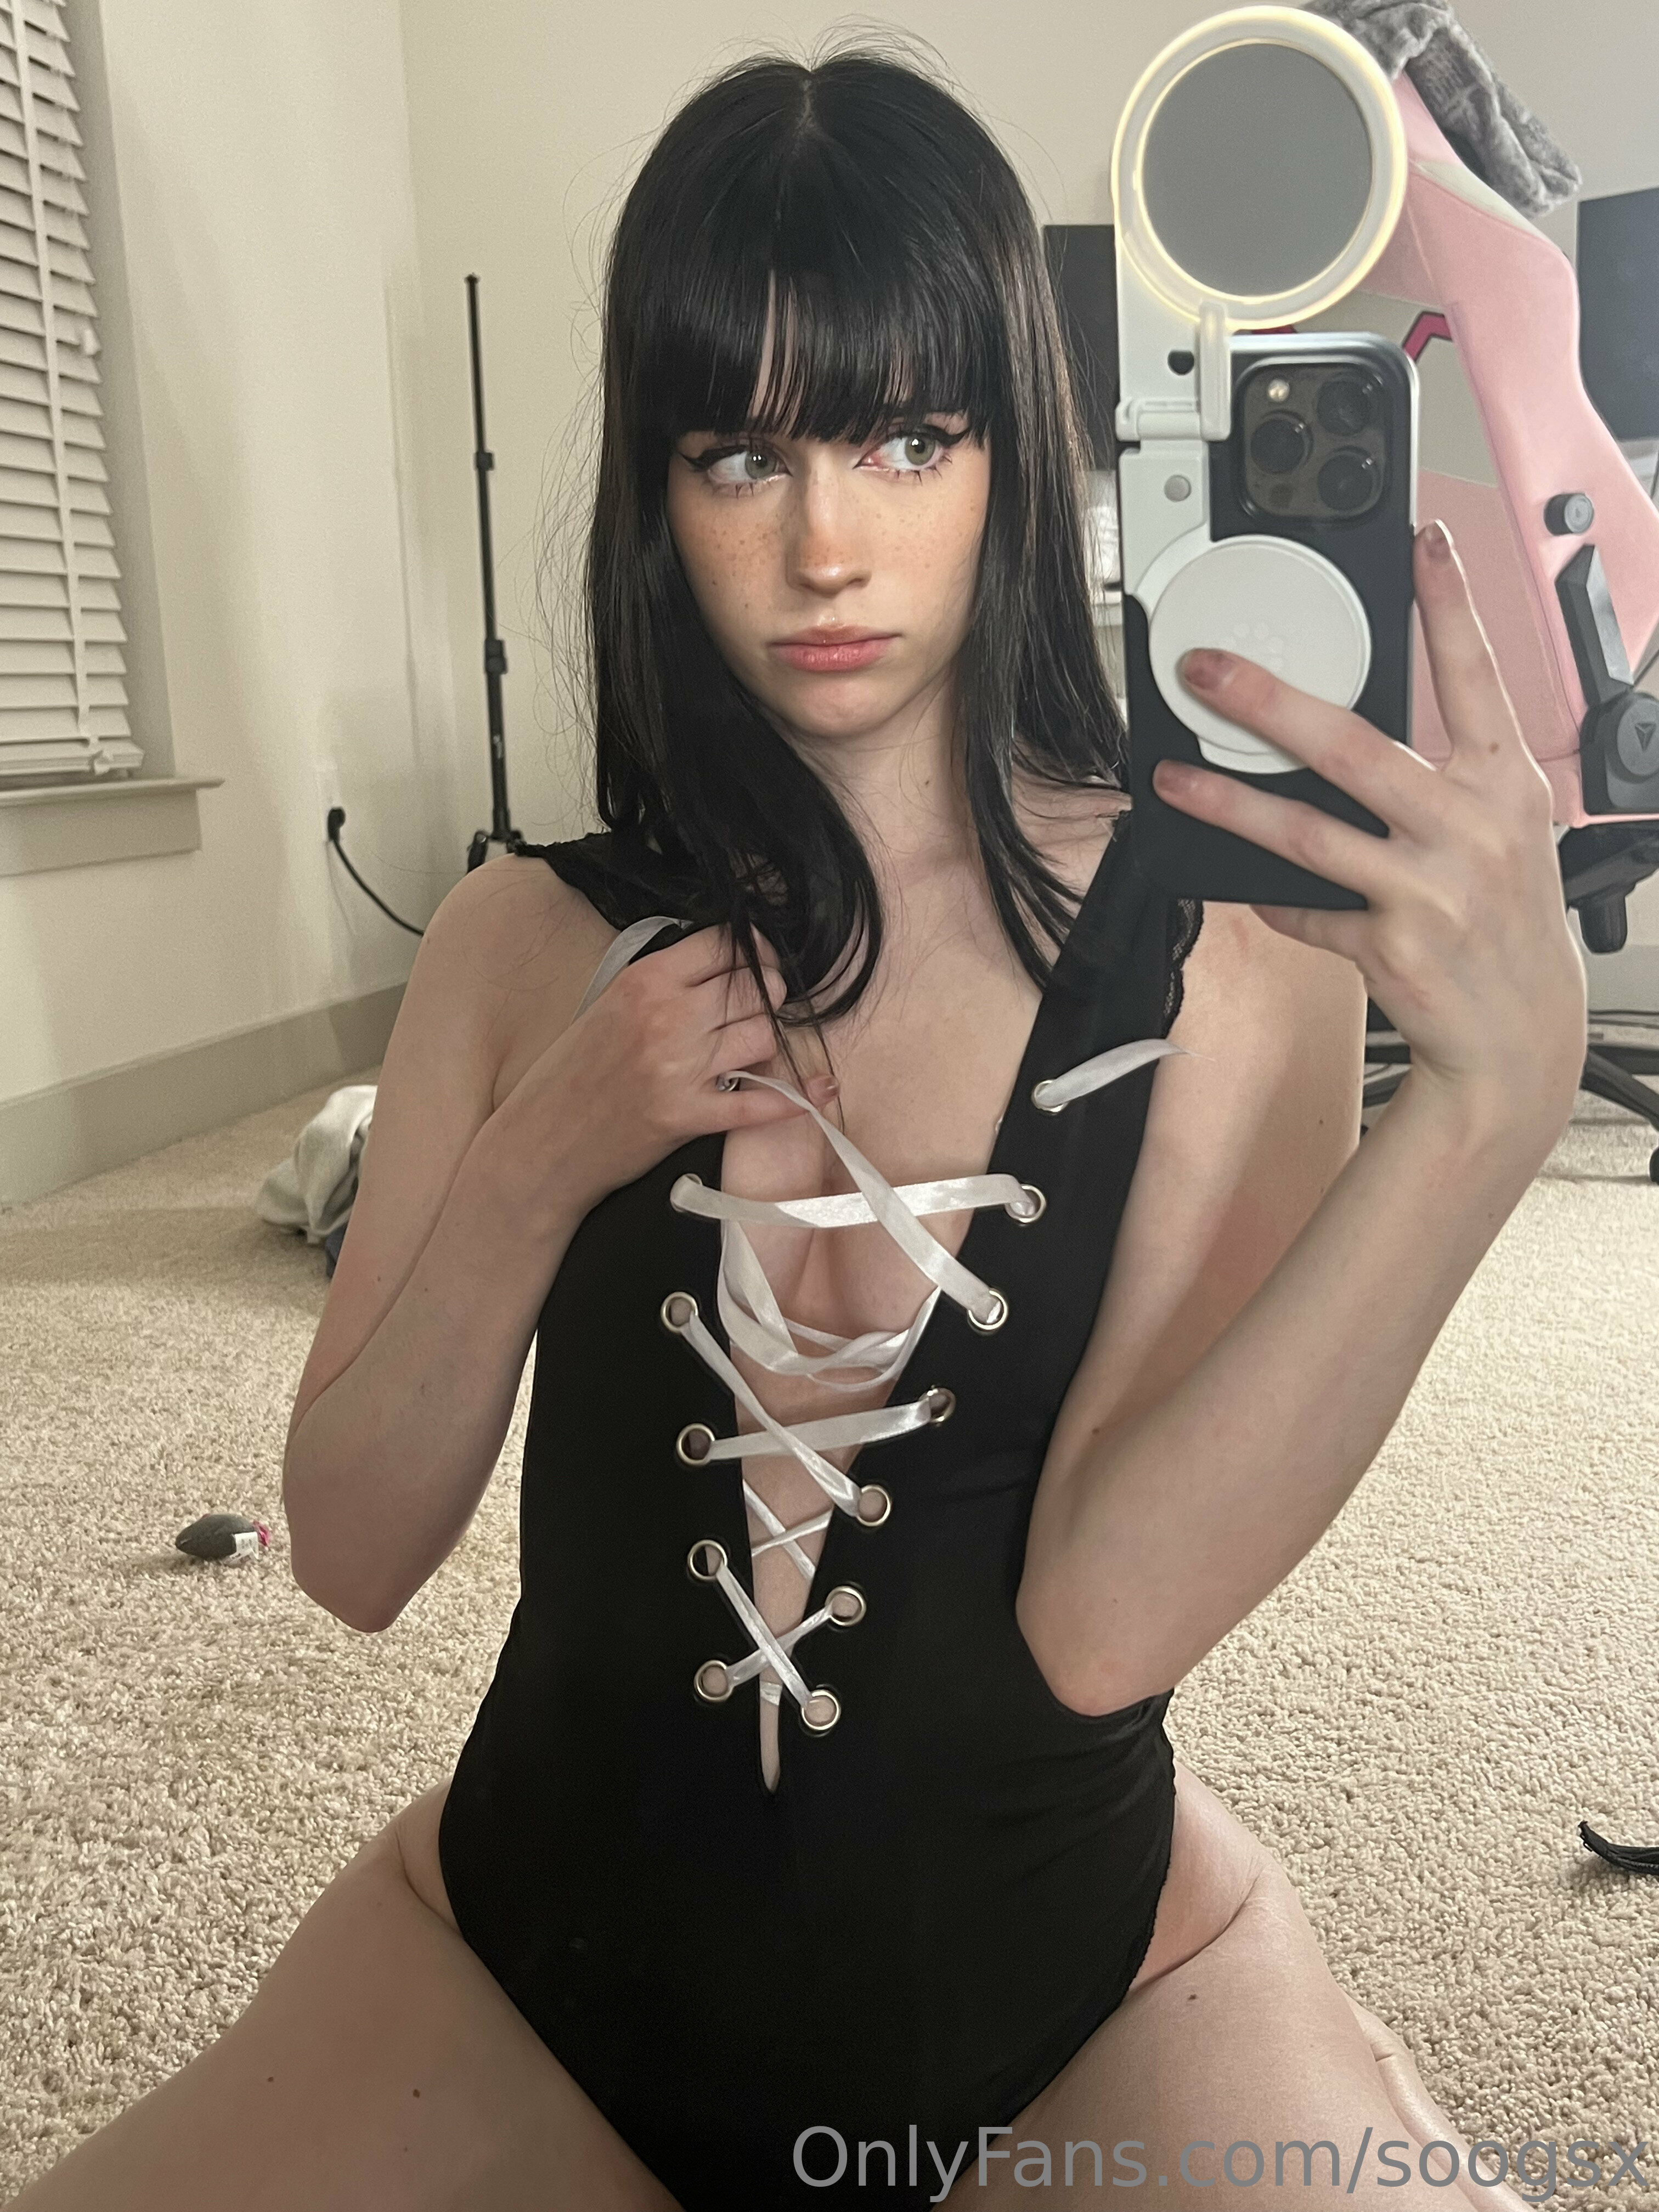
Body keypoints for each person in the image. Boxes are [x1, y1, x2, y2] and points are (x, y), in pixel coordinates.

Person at [14, 40, 1586, 2212]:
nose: (826, 546)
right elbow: (355, 1557)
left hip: (1075, 1999)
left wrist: (1488, 1114)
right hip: (527, 1974)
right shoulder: (515, 940)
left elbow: (1105, 1622)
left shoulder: (1230, 946)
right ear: (657, 492)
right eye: (741, 454)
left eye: (906, 438)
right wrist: (545, 1148)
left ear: (1014, 449)